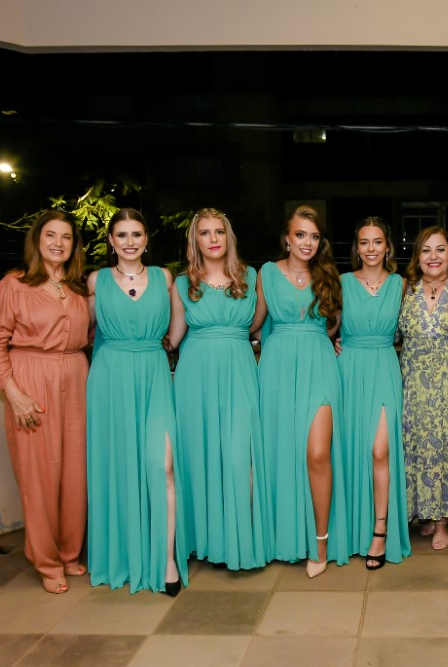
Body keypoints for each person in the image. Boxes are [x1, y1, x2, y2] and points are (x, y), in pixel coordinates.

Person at [0, 211, 90, 595]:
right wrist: (13, 393)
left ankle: (69, 553)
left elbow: (95, 334)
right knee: (39, 477)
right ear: (37, 240)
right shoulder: (14, 284)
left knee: (76, 474)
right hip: (30, 379)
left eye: (66, 237)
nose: (58, 243)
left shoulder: (80, 289)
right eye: (51, 235)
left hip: (76, 378)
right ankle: (47, 561)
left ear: (74, 245)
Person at [86, 208, 189, 595]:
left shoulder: (164, 278)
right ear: (111, 241)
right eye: (122, 235)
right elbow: (84, 329)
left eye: (137, 234)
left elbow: (178, 323)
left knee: (162, 465)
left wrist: (169, 346)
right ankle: (125, 555)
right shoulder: (96, 281)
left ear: (147, 240)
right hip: (110, 380)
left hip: (153, 374)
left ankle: (166, 561)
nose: (130, 242)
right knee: (119, 466)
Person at [168, 208, 266, 571]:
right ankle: (205, 542)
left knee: (240, 457)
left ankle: (237, 542)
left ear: (229, 237)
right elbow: (173, 338)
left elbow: (262, 327)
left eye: (219, 232)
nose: (213, 239)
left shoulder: (251, 277)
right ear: (195, 240)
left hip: (240, 372)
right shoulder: (182, 284)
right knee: (200, 456)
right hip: (195, 377)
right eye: (205, 232)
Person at [254, 205, 348, 578]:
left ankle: (320, 543)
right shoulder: (266, 273)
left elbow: (332, 326)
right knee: (281, 453)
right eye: (300, 235)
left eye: (314, 236)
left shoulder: (328, 276)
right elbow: (255, 323)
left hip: (319, 365)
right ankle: (283, 537)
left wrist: (332, 341)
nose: (307, 242)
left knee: (317, 453)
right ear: (287, 239)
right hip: (277, 369)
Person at [336, 217, 411, 569]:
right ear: (357, 247)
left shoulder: (400, 284)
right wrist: (329, 343)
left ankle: (380, 529)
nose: (370, 248)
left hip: (383, 365)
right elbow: (326, 326)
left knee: (380, 450)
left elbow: (409, 330)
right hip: (349, 369)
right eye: (364, 242)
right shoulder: (341, 283)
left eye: (377, 241)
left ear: (387, 247)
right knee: (351, 449)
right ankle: (351, 528)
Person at [399, 226, 448, 551]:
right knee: (418, 447)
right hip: (415, 387)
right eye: (426, 250)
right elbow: (390, 335)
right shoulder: (404, 290)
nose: (433, 256)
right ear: (417, 256)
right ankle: (427, 513)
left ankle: (444, 519)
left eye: (440, 249)